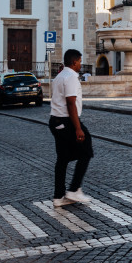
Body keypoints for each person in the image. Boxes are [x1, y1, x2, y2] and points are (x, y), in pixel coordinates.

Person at [49, 49, 93, 207]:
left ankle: (59, 196)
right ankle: (74, 189)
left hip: (55, 121)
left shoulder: (60, 76)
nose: (81, 64)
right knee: (86, 149)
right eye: (80, 61)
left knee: (62, 159)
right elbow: (70, 103)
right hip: (66, 120)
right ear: (74, 62)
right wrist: (78, 128)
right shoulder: (71, 77)